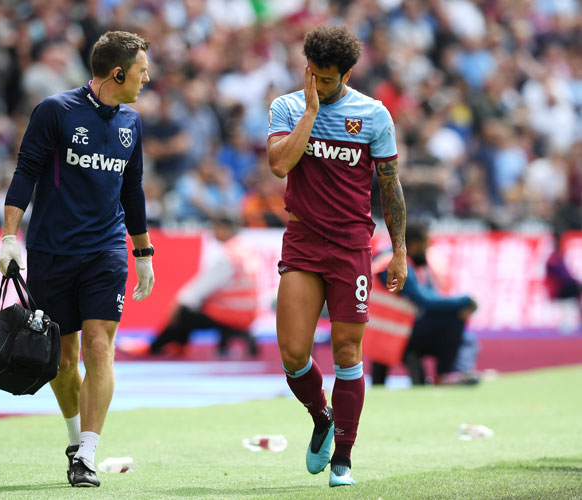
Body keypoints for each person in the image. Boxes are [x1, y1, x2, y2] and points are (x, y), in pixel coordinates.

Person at [0, 31, 155, 488]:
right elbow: (25, 172)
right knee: (64, 359)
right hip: (50, 251)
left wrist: (142, 252)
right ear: (118, 73)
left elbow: (133, 189)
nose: (147, 79)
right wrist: (10, 238)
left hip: (105, 252)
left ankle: (87, 451)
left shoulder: (132, 123)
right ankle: (74, 439)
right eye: (142, 71)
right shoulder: (55, 111)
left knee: (99, 347)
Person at [266, 26, 407, 487]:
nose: (320, 85)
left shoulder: (373, 115)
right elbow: (280, 164)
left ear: (346, 73)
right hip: (303, 242)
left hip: (351, 247)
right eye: (313, 75)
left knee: (347, 350)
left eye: (328, 80)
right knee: (293, 354)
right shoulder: (287, 106)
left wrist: (400, 251)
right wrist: (311, 110)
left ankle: (342, 457)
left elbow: (390, 188)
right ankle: (322, 417)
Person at [123, 212, 260, 358]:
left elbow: (199, 290)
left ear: (224, 228)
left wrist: (178, 304)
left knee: (184, 311)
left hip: (232, 313)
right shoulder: (246, 252)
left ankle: (153, 347)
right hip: (248, 312)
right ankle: (178, 345)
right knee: (191, 308)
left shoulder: (227, 257)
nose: (212, 231)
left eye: (214, 227)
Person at [370, 221, 480, 386]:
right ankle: (445, 374)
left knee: (465, 335)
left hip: (388, 331)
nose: (428, 249)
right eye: (427, 243)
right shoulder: (393, 264)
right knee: (454, 318)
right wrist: (465, 301)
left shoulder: (395, 260)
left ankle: (452, 371)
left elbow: (427, 297)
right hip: (392, 333)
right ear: (414, 245)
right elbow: (423, 300)